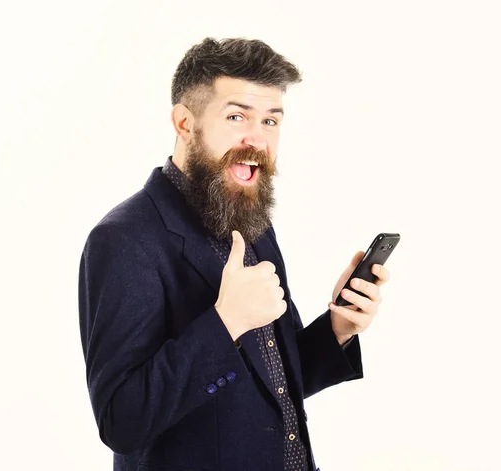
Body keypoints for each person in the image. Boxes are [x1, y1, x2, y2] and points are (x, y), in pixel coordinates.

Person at [78, 37, 391, 471]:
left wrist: (337, 327)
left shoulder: (253, 222)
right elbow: (122, 421)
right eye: (237, 116)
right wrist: (226, 323)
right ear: (185, 123)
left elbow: (277, 382)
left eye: (270, 121)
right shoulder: (124, 239)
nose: (257, 139)